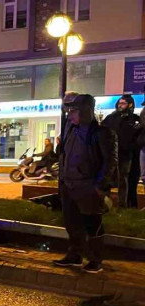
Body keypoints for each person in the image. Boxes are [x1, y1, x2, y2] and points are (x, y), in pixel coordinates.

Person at [54, 94, 118, 273]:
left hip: (88, 186)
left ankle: (95, 259)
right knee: (72, 224)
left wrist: (99, 186)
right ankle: (74, 255)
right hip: (69, 184)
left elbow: (110, 162)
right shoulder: (70, 129)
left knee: (92, 224)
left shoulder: (102, 133)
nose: (70, 115)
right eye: (69, 111)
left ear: (85, 111)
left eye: (73, 111)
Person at [101, 94, 143, 209]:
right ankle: (105, 204)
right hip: (110, 154)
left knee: (123, 179)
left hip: (125, 154)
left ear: (130, 105)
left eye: (123, 103)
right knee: (107, 178)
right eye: (119, 103)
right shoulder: (111, 118)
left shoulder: (134, 119)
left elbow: (137, 137)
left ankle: (122, 205)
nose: (120, 105)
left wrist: (130, 146)